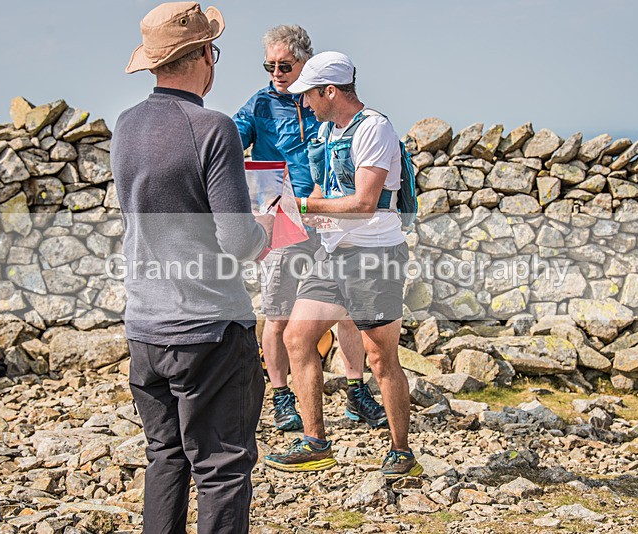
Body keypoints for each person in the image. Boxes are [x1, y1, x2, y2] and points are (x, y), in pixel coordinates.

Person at [111, 3, 271, 532]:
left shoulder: (126, 126)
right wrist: (272, 226)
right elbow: (236, 240)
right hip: (209, 328)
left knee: (167, 457)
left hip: (145, 329)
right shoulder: (212, 127)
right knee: (223, 468)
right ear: (205, 54)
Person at [263, 52, 422, 481]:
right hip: (332, 253)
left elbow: (364, 203)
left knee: (380, 356)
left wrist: (300, 205)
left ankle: (400, 450)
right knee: (298, 337)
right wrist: (297, 217)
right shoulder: (325, 132)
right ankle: (315, 443)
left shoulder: (375, 129)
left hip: (375, 255)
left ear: (330, 91)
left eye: (309, 95)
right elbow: (325, 192)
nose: (304, 103)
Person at [233, 26, 386, 432]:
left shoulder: (323, 103)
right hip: (283, 221)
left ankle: (356, 394)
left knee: (348, 313)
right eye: (270, 65)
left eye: (285, 65)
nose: (277, 73)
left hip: (330, 219)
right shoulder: (259, 105)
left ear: (307, 65)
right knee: (278, 314)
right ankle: (282, 398)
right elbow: (227, 148)